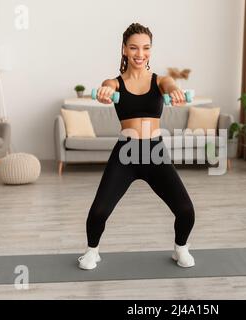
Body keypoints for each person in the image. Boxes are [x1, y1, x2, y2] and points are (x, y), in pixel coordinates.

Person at [78, 23, 196, 270]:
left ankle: (180, 248)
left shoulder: (161, 80)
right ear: (124, 49)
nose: (140, 54)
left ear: (151, 50)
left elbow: (172, 87)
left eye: (145, 48)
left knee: (185, 210)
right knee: (99, 211)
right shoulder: (115, 82)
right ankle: (91, 252)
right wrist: (104, 92)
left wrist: (176, 92)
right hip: (126, 152)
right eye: (133, 48)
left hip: (154, 152)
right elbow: (107, 88)